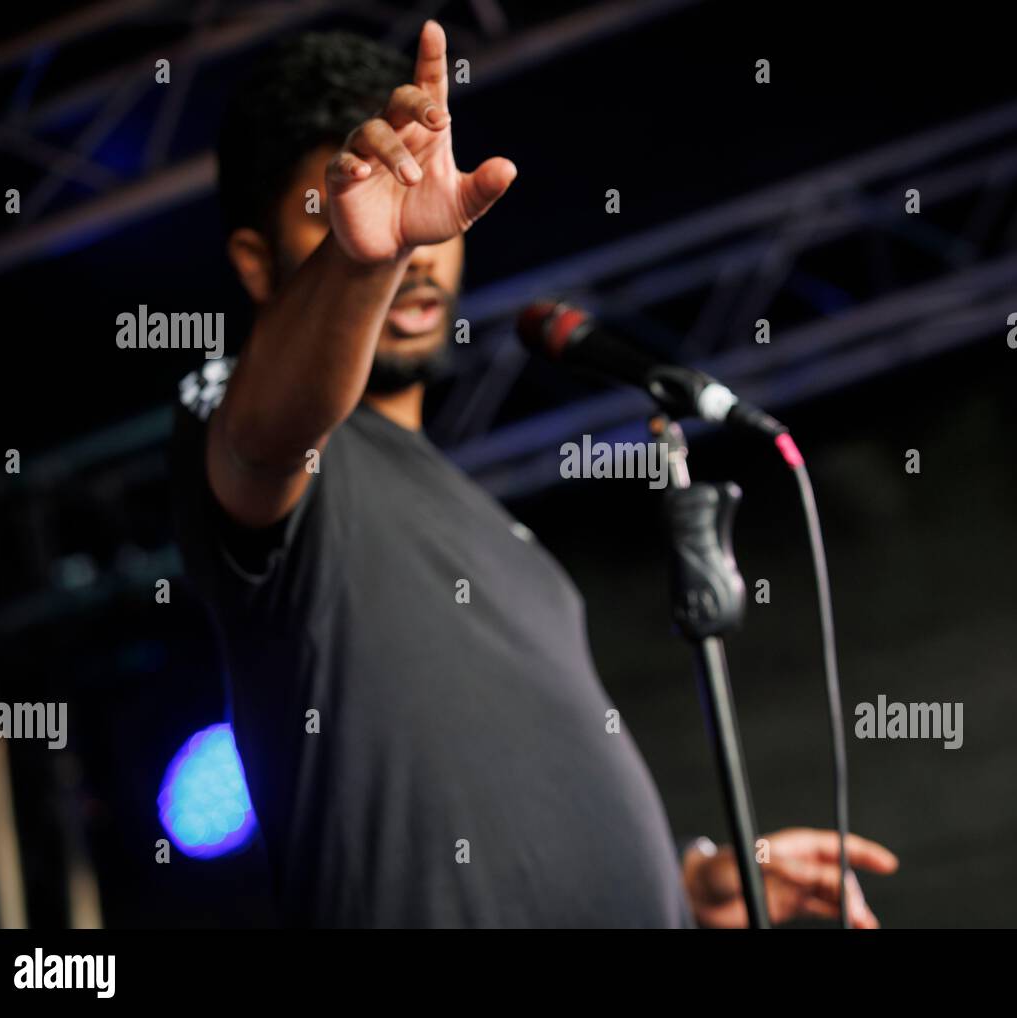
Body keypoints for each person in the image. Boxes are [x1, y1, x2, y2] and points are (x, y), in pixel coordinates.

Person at [170, 20, 897, 928]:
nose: (418, 248)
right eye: (340, 204)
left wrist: (686, 888)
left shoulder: (494, 536)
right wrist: (361, 259)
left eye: (412, 202)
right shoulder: (254, 421)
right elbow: (261, 445)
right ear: (255, 261)